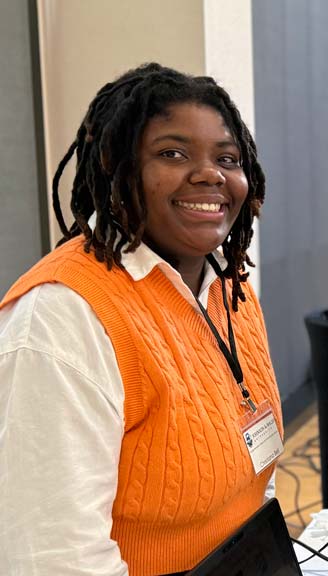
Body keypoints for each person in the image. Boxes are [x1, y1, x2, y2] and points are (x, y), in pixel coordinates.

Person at [0, 63, 282, 575]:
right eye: (172, 153)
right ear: (114, 165)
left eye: (227, 158)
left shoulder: (230, 290)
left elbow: (256, 479)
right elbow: (54, 560)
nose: (210, 174)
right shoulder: (62, 318)